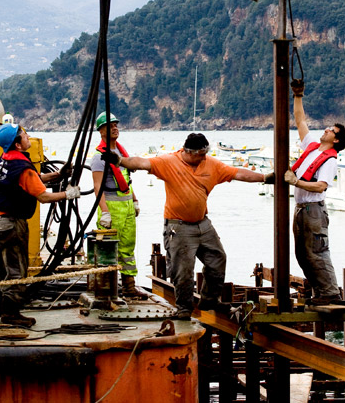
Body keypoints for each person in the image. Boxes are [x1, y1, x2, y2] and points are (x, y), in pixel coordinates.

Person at [102, 132, 264, 319]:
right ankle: (184, 308)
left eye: (205, 153)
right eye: (201, 154)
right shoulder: (169, 162)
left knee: (217, 259)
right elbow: (141, 163)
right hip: (179, 227)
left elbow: (239, 173)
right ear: (189, 152)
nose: (204, 157)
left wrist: (265, 177)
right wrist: (120, 161)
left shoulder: (210, 164)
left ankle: (210, 300)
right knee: (183, 270)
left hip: (203, 224)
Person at [0, 123, 81, 327]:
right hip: (11, 224)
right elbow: (43, 196)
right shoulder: (22, 167)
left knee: (4, 271)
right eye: (23, 135)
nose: (27, 136)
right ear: (18, 144)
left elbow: (34, 180)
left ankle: (9, 311)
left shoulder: (7, 160)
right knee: (15, 271)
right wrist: (68, 194)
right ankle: (10, 315)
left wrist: (58, 175)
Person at [289, 79, 345, 305]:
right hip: (302, 208)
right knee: (303, 255)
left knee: (317, 252)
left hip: (313, 209)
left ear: (336, 140)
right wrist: (298, 96)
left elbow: (320, 186)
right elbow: (300, 120)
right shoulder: (313, 147)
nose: (325, 129)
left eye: (331, 130)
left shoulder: (330, 160)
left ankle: (330, 293)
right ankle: (320, 292)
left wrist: (295, 181)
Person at [90, 111, 145, 298]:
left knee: (128, 248)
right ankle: (107, 290)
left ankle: (129, 287)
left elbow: (126, 179)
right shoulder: (99, 157)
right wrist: (104, 212)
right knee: (109, 250)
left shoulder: (121, 153)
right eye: (110, 125)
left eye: (116, 124)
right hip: (112, 208)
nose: (115, 128)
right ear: (101, 131)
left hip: (127, 206)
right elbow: (98, 187)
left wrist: (135, 200)